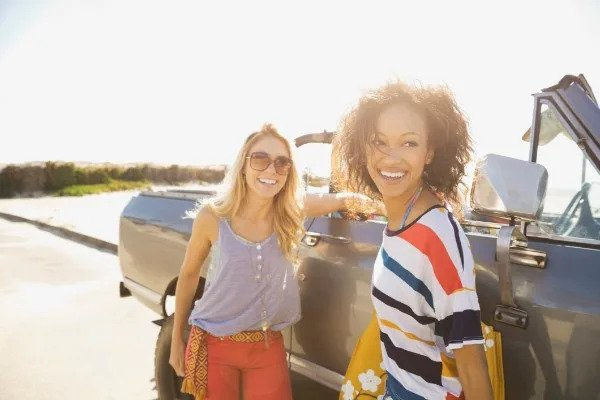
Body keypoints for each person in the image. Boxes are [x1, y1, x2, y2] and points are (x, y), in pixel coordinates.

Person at [168, 123, 377, 400]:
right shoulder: (213, 217)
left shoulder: (291, 209)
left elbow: (340, 200)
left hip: (267, 345)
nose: (271, 170)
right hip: (216, 345)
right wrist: (175, 341)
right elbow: (190, 274)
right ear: (243, 164)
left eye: (282, 163)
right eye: (260, 159)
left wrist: (389, 205)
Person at [333, 81, 493, 399]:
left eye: (409, 143)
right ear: (363, 147)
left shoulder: (437, 236)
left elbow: (471, 364)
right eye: (379, 142)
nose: (391, 158)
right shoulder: (401, 220)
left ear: (429, 152)